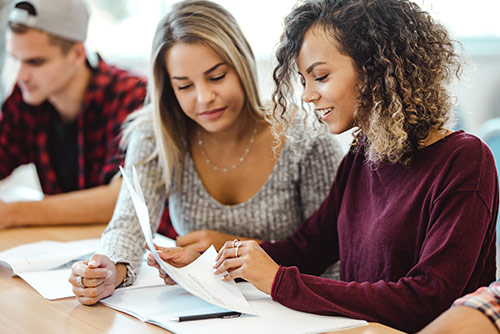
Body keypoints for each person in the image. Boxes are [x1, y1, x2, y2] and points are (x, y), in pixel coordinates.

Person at [145, 0, 498, 332]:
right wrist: (217, 262)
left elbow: (427, 299)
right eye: (304, 80)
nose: (308, 95)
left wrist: (278, 281)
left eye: (321, 76)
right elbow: (308, 248)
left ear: (376, 67)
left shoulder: (465, 161)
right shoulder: (362, 154)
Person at [69, 0, 344, 306]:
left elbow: (332, 260)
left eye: (216, 77)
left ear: (242, 65)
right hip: (201, 309)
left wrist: (232, 250)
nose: (204, 98)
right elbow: (126, 226)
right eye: (184, 86)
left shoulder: (304, 137)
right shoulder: (155, 134)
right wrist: (110, 269)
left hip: (291, 310)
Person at [0, 0, 147, 228]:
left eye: (35, 62)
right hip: (67, 249)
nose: (21, 75)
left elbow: (124, 198)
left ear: (78, 53)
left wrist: (13, 213)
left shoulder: (132, 95)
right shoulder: (27, 97)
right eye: (14, 58)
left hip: (142, 250)